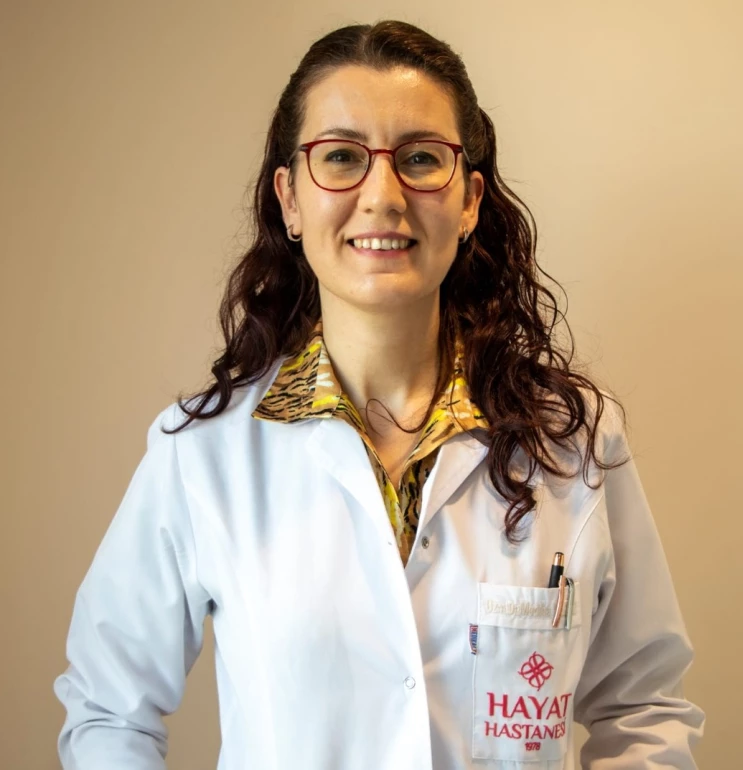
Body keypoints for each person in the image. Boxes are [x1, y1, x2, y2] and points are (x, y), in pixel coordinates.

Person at [53, 19, 704, 770]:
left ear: (469, 200)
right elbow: (108, 709)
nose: (383, 196)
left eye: (421, 159)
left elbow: (642, 708)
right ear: (290, 199)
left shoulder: (575, 440)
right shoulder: (204, 453)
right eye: (341, 157)